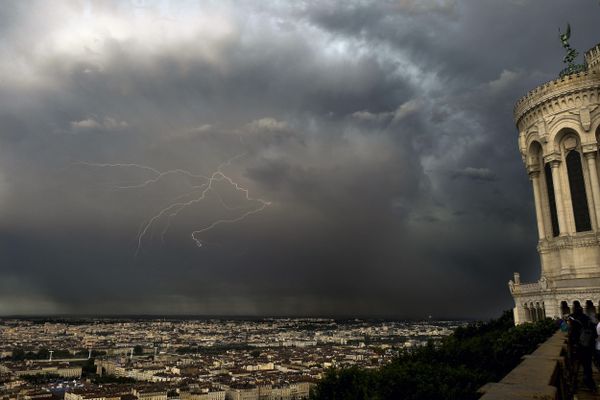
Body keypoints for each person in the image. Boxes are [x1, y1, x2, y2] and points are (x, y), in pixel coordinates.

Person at [568, 303, 597, 392]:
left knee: (576, 366)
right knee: (587, 366)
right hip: (588, 348)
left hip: (577, 347)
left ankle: (574, 386)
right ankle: (591, 385)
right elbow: (595, 335)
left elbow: (567, 331)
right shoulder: (588, 320)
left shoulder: (573, 320)